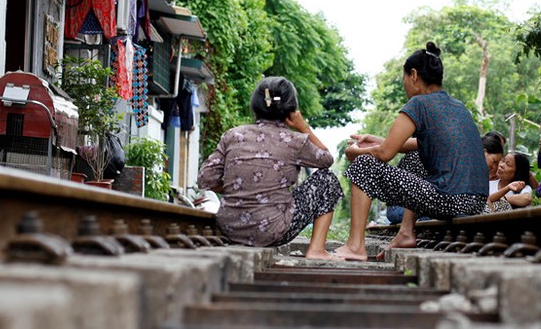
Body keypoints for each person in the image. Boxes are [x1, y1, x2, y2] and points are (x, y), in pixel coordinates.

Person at [335, 42, 489, 261]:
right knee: (415, 157)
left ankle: (355, 246)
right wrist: (377, 141)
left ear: (414, 75)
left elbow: (384, 154)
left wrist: (355, 153)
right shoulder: (457, 106)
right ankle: (406, 232)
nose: (404, 85)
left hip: (449, 199)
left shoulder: (419, 103)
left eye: (404, 79)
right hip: (475, 202)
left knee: (363, 166)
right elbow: (423, 143)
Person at [196, 76, 344, 259]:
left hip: (230, 228)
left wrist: (240, 189)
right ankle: (317, 250)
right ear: (291, 109)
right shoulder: (295, 141)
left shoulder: (233, 135)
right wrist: (302, 126)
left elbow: (205, 178)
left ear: (256, 105)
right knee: (327, 179)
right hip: (272, 231)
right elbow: (326, 160)